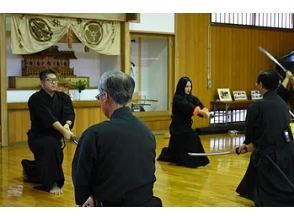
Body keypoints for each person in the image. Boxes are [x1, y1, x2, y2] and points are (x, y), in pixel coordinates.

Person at [71, 70, 162, 207]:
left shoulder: (95, 134)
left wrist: (87, 196)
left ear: (104, 96)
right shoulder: (146, 131)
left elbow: (81, 179)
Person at [236, 69, 294, 207]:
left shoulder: (256, 106)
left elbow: (250, 133)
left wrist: (247, 144)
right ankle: (249, 189)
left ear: (260, 85)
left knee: (258, 155)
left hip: (271, 157)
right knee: (257, 153)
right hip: (288, 153)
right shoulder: (283, 104)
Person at [21, 68, 75, 195]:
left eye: (55, 80)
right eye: (49, 80)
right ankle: (53, 184)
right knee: (51, 148)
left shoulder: (63, 97)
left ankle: (30, 168)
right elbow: (49, 118)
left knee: (54, 155)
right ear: (42, 82)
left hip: (55, 137)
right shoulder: (36, 99)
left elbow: (69, 114)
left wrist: (67, 126)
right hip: (38, 137)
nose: (53, 83)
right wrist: (64, 132)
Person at [157, 76, 211, 168]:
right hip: (178, 127)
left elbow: (199, 104)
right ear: (181, 87)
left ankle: (169, 155)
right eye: (186, 86)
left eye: (190, 86)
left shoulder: (191, 97)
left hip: (185, 126)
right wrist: (201, 112)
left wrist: (205, 111)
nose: (189, 89)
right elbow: (188, 107)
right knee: (193, 136)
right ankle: (195, 161)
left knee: (174, 150)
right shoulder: (178, 98)